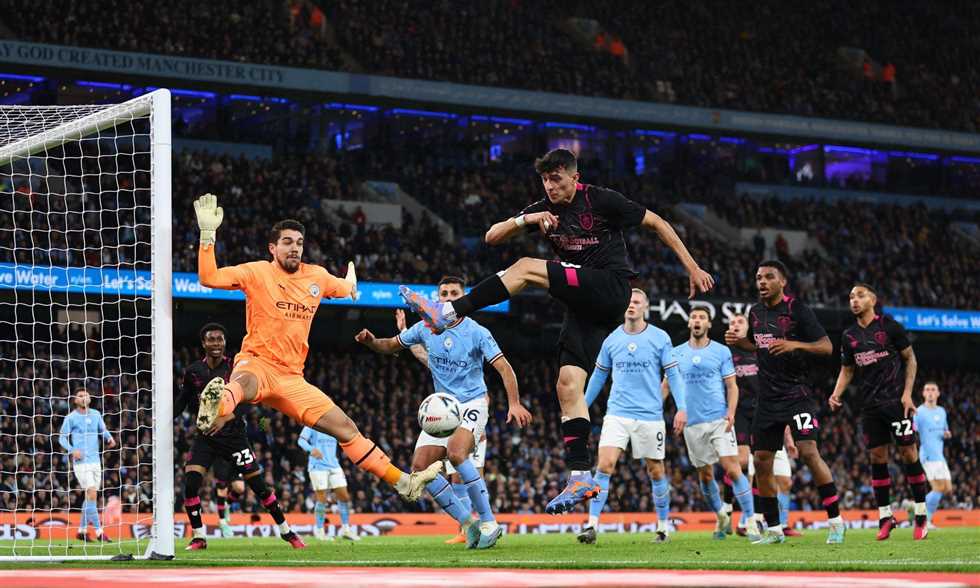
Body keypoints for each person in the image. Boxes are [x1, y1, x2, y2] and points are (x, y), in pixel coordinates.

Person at [400, 149, 714, 514]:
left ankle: (448, 312)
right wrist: (527, 219)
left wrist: (692, 267)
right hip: (584, 309)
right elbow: (491, 236)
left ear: (574, 177)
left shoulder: (600, 200)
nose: (550, 187)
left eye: (557, 179)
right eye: (545, 180)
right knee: (567, 385)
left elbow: (657, 222)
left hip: (611, 286)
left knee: (525, 267)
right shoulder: (543, 209)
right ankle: (580, 476)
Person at [191, 193, 442, 507]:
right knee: (243, 384)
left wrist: (351, 283)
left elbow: (345, 288)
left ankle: (403, 482)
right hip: (257, 363)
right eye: (286, 242)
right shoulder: (257, 272)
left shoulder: (317, 277)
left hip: (292, 379)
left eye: (299, 242)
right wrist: (207, 235)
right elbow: (209, 277)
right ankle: (216, 405)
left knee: (346, 428)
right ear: (272, 248)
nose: (294, 247)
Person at [356, 275, 532, 548]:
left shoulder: (477, 332)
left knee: (457, 453)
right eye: (444, 294)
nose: (449, 298)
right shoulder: (424, 329)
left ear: (463, 298)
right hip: (442, 407)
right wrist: (370, 341)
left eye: (454, 293)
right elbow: (389, 345)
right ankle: (468, 524)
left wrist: (515, 402)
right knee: (419, 469)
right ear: (437, 299)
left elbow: (504, 367)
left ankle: (489, 523)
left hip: (472, 403)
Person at [725, 260, 844, 544]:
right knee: (761, 461)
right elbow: (755, 344)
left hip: (796, 395)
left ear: (782, 282)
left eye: (769, 277)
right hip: (766, 400)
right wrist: (738, 342)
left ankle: (836, 522)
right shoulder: (755, 312)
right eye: (759, 277)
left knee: (809, 452)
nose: (762, 282)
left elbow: (827, 347)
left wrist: (795, 344)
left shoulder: (797, 310)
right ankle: (775, 530)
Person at [176, 322, 303, 550]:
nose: (216, 343)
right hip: (206, 437)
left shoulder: (236, 367)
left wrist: (225, 418)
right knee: (191, 484)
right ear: (203, 343)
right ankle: (198, 536)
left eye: (220, 339)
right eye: (211, 339)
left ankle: (287, 531)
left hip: (234, 437)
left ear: (225, 342)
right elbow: (183, 399)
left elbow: (249, 400)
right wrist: (163, 419)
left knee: (258, 486)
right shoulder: (194, 371)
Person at [577, 289, 686, 545]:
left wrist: (682, 407)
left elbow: (673, 375)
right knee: (604, 465)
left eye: (637, 302)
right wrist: (582, 406)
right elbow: (599, 376)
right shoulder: (612, 340)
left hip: (650, 415)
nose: (631, 305)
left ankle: (663, 527)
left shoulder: (660, 338)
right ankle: (591, 525)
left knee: (655, 471)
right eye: (628, 301)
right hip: (617, 413)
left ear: (645, 307)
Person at [830, 283, 929, 540]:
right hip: (870, 406)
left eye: (860, 295)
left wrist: (907, 394)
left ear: (872, 300)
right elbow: (847, 369)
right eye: (851, 296)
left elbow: (910, 359)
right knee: (877, 458)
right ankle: (886, 517)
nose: (854, 300)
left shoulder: (890, 326)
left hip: (896, 403)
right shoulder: (849, 335)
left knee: (909, 454)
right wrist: (836, 393)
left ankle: (921, 515)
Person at [394, 307, 488, 546]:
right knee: (446, 474)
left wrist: (477, 428)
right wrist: (404, 332)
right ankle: (467, 527)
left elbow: (484, 398)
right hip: (447, 420)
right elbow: (421, 354)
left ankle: (486, 523)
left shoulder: (470, 360)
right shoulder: (441, 364)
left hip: (470, 420)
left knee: (463, 475)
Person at [669, 308, 759, 542]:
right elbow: (667, 385)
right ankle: (721, 516)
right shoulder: (676, 353)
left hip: (719, 420)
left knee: (733, 467)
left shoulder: (721, 351)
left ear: (708, 324)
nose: (697, 320)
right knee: (706, 476)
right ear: (689, 323)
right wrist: (657, 412)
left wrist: (731, 413)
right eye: (694, 317)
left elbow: (732, 386)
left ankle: (750, 521)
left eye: (702, 318)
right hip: (692, 424)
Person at [726, 314, 800, 538]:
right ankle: (747, 519)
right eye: (732, 323)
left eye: (740, 322)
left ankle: (782, 523)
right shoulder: (726, 354)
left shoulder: (762, 353)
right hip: (741, 415)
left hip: (768, 415)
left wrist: (788, 437)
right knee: (747, 465)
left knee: (785, 481)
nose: (735, 325)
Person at [59, 388, 116, 542]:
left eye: (86, 395)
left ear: (90, 398)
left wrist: (109, 438)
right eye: (80, 396)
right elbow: (62, 438)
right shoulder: (71, 418)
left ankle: (82, 531)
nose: (84, 397)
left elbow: (103, 430)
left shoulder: (96, 414)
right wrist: (72, 450)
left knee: (90, 497)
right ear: (75, 400)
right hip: (81, 462)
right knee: (92, 493)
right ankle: (99, 532)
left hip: (96, 461)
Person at [298, 427, 359, 541]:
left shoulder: (333, 425)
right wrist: (311, 449)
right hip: (317, 466)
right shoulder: (311, 425)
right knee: (322, 499)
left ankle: (346, 530)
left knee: (344, 497)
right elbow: (301, 441)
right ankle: (320, 531)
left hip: (334, 465)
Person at [914, 381, 951, 530]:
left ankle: (913, 507)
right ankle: (924, 520)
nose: (930, 392)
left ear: (938, 393)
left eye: (933, 389)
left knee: (947, 488)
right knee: (938, 487)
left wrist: (946, 434)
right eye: (927, 389)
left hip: (939, 456)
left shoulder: (942, 411)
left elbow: (944, 429)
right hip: (928, 455)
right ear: (923, 393)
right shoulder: (919, 412)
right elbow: (913, 429)